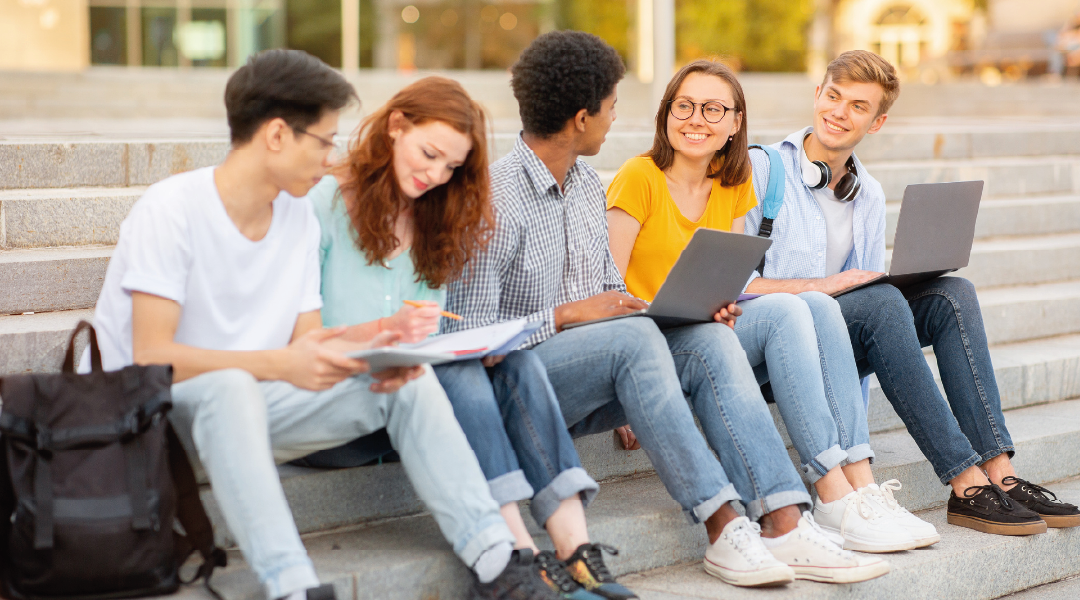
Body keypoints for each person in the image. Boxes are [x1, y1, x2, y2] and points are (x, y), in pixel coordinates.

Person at [81, 49, 547, 600]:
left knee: (409, 384)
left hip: (256, 406)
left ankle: (496, 561)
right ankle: (293, 587)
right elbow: (150, 357)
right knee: (231, 389)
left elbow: (308, 343)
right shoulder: (172, 209)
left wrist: (376, 347)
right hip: (151, 414)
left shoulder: (295, 217)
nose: (331, 160)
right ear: (277, 135)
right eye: (324, 141)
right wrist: (284, 363)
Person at [445, 30, 889, 589]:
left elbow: (613, 293)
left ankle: (783, 521)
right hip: (524, 378)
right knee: (636, 341)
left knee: (708, 337)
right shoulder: (492, 197)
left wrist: (683, 311)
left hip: (603, 359)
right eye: (609, 108)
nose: (614, 120)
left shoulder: (584, 184)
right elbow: (465, 334)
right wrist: (565, 318)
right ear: (582, 118)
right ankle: (723, 521)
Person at [311, 75, 627, 600]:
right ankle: (516, 555)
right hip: (341, 403)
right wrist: (386, 335)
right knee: (458, 369)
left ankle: (574, 551)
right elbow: (300, 335)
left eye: (451, 167)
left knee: (514, 364)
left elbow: (432, 326)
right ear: (395, 126)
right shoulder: (323, 204)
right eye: (429, 154)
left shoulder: (432, 216)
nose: (436, 174)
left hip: (411, 405)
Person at [605, 58, 937, 553]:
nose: (697, 118)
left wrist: (816, 288)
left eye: (713, 109)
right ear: (666, 113)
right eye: (685, 106)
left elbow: (734, 283)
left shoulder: (735, 184)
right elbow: (604, 288)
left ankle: (855, 488)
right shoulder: (638, 176)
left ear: (736, 122)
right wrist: (626, 388)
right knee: (794, 307)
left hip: (708, 329)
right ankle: (829, 487)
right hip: (650, 341)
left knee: (816, 306)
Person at [743, 49, 1080, 536]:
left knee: (951, 294)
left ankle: (1000, 473)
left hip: (837, 339)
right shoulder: (762, 169)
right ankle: (965, 483)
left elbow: (865, 304)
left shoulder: (869, 193)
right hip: (780, 341)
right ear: (817, 95)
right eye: (833, 96)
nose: (839, 112)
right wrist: (823, 285)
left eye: (858, 106)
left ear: (876, 123)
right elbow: (736, 288)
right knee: (879, 301)